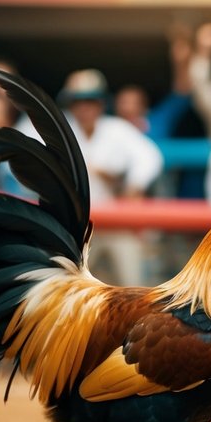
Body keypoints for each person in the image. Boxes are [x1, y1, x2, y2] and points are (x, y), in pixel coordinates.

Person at [36, 68, 164, 287]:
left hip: (117, 222)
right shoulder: (57, 130)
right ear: (70, 104)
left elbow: (151, 157)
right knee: (68, 290)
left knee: (133, 287)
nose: (85, 107)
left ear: (102, 103)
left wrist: (133, 186)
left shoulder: (117, 129)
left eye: (91, 100)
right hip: (76, 228)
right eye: (78, 101)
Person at [116, 24, 195, 141]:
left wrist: (181, 63)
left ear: (144, 107)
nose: (128, 107)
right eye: (123, 102)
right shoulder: (107, 128)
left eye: (134, 102)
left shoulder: (156, 122)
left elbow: (182, 93)